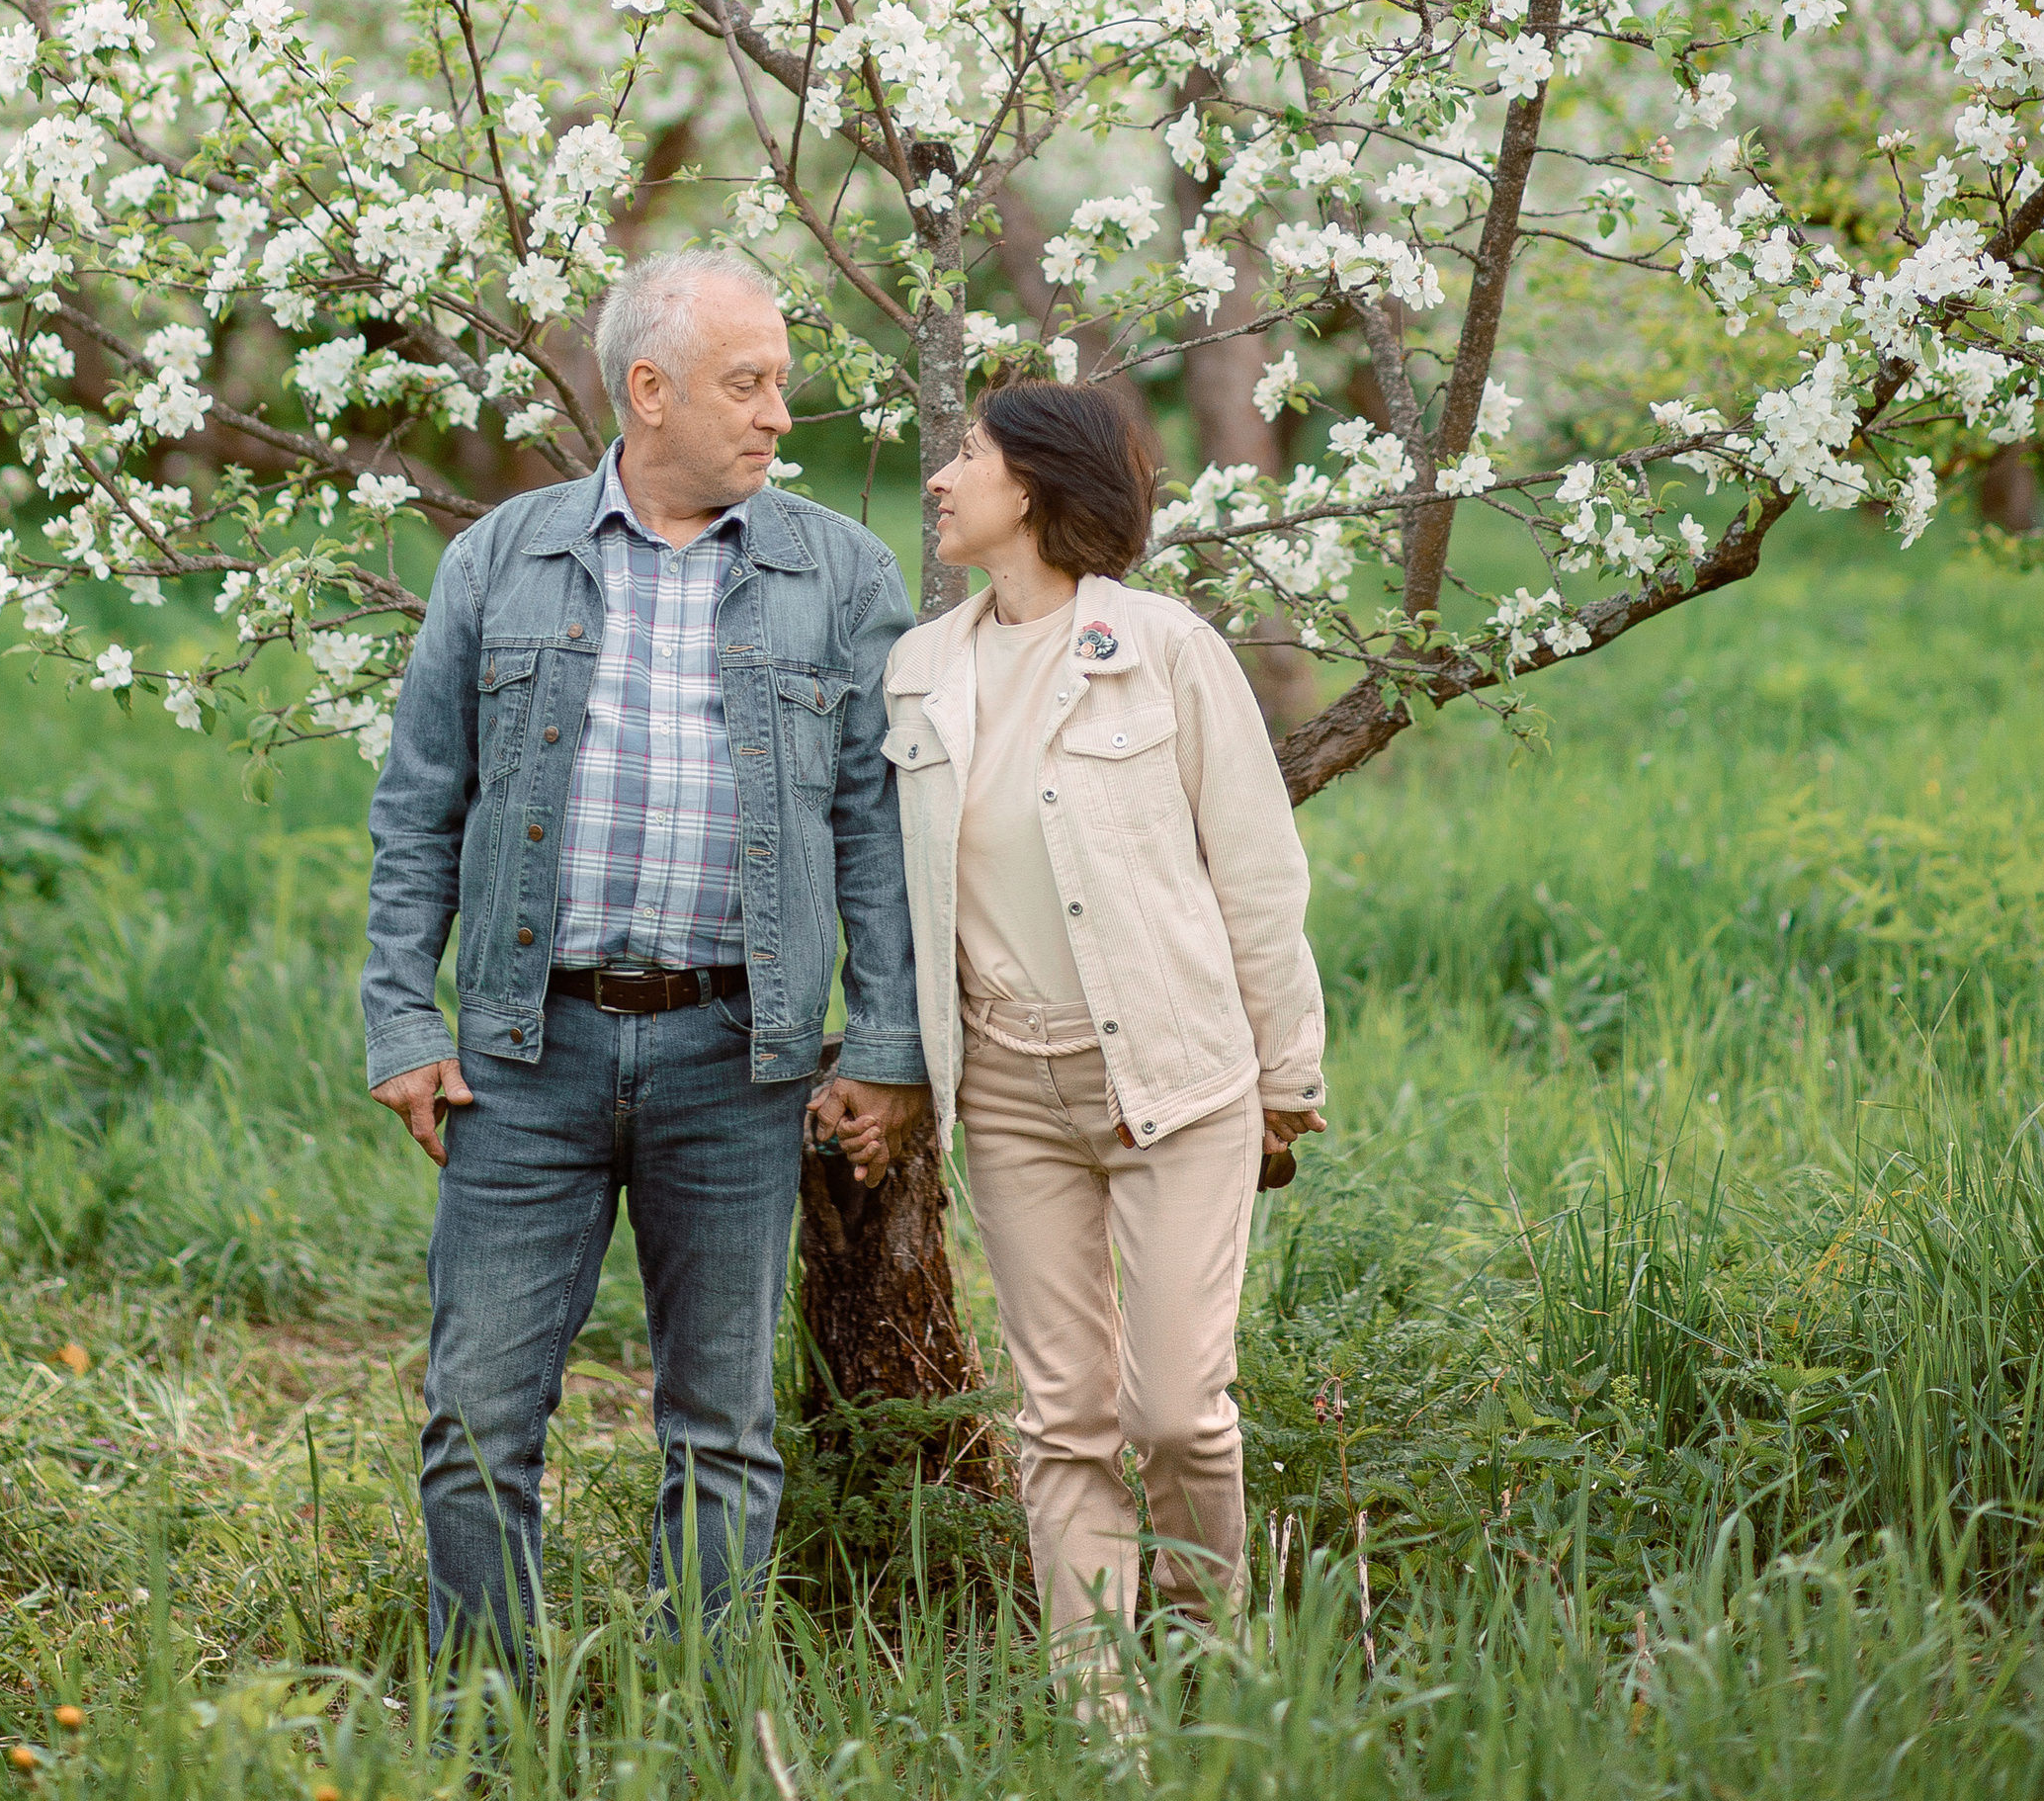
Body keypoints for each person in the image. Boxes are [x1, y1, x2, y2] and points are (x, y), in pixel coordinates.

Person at [361, 250, 928, 1665]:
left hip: (737, 1059)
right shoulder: (502, 556)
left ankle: (702, 1731)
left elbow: (878, 829)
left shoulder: (841, 577)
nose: (779, 416)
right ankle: (490, 1729)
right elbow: (419, 802)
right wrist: (398, 1020)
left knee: (723, 1432)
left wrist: (888, 1043)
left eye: (783, 383)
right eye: (750, 383)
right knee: (476, 1419)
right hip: (519, 1056)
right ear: (649, 390)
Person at [839, 382, 1325, 1682]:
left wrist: (1288, 1079)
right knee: (1064, 1422)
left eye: (970, 458)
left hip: (1176, 1079)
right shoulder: (920, 671)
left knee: (1178, 1419)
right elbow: (894, 887)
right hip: (1005, 1089)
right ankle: (1101, 1723)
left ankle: (1213, 1656)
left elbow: (1259, 875)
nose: (941, 479)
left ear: (1038, 490)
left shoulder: (1163, 648)